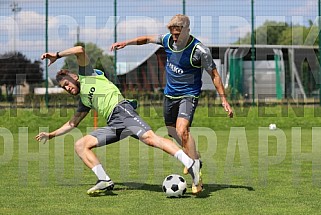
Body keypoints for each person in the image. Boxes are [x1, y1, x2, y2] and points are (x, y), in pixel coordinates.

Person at [35, 45, 202, 195]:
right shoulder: (84, 101)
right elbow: (72, 123)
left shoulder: (87, 75)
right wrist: (51, 134)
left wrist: (57, 55)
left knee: (151, 139)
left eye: (67, 83)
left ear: (74, 77)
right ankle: (104, 180)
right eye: (64, 87)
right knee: (80, 145)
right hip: (114, 124)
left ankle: (190, 162)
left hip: (121, 110)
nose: (67, 88)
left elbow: (79, 50)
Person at [110, 14, 233, 187]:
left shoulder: (200, 51)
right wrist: (126, 43)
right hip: (169, 95)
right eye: (173, 34)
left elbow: (214, 74)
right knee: (172, 131)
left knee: (182, 130)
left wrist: (223, 99)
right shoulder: (167, 40)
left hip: (188, 95)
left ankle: (196, 176)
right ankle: (195, 156)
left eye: (178, 34)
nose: (174, 37)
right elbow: (146, 39)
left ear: (187, 31)